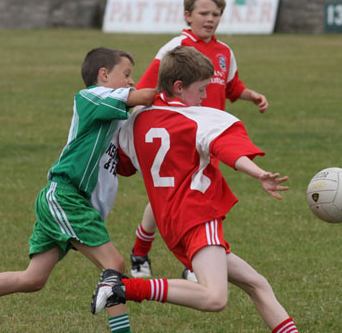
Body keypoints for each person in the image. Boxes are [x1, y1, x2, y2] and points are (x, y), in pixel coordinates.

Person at [0, 47, 156, 333]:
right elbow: (145, 97)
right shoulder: (90, 96)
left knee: (33, 279)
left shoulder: (112, 112)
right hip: (66, 197)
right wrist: (174, 85)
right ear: (103, 74)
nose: (131, 81)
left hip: (70, 201)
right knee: (114, 266)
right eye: (126, 75)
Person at [91, 46, 298, 333]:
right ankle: (124, 288)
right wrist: (259, 173)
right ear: (179, 87)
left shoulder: (135, 122)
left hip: (171, 224)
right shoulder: (197, 117)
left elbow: (124, 165)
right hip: (197, 215)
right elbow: (226, 148)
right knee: (214, 297)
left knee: (256, 283)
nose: (204, 97)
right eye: (201, 90)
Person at [129, 0, 269, 282]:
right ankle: (141, 252)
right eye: (204, 13)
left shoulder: (224, 52)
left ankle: (193, 261)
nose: (210, 19)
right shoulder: (175, 49)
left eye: (216, 14)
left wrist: (250, 95)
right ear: (187, 16)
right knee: (171, 201)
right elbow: (145, 90)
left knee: (198, 202)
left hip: (211, 139)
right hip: (181, 139)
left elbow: (231, 86)